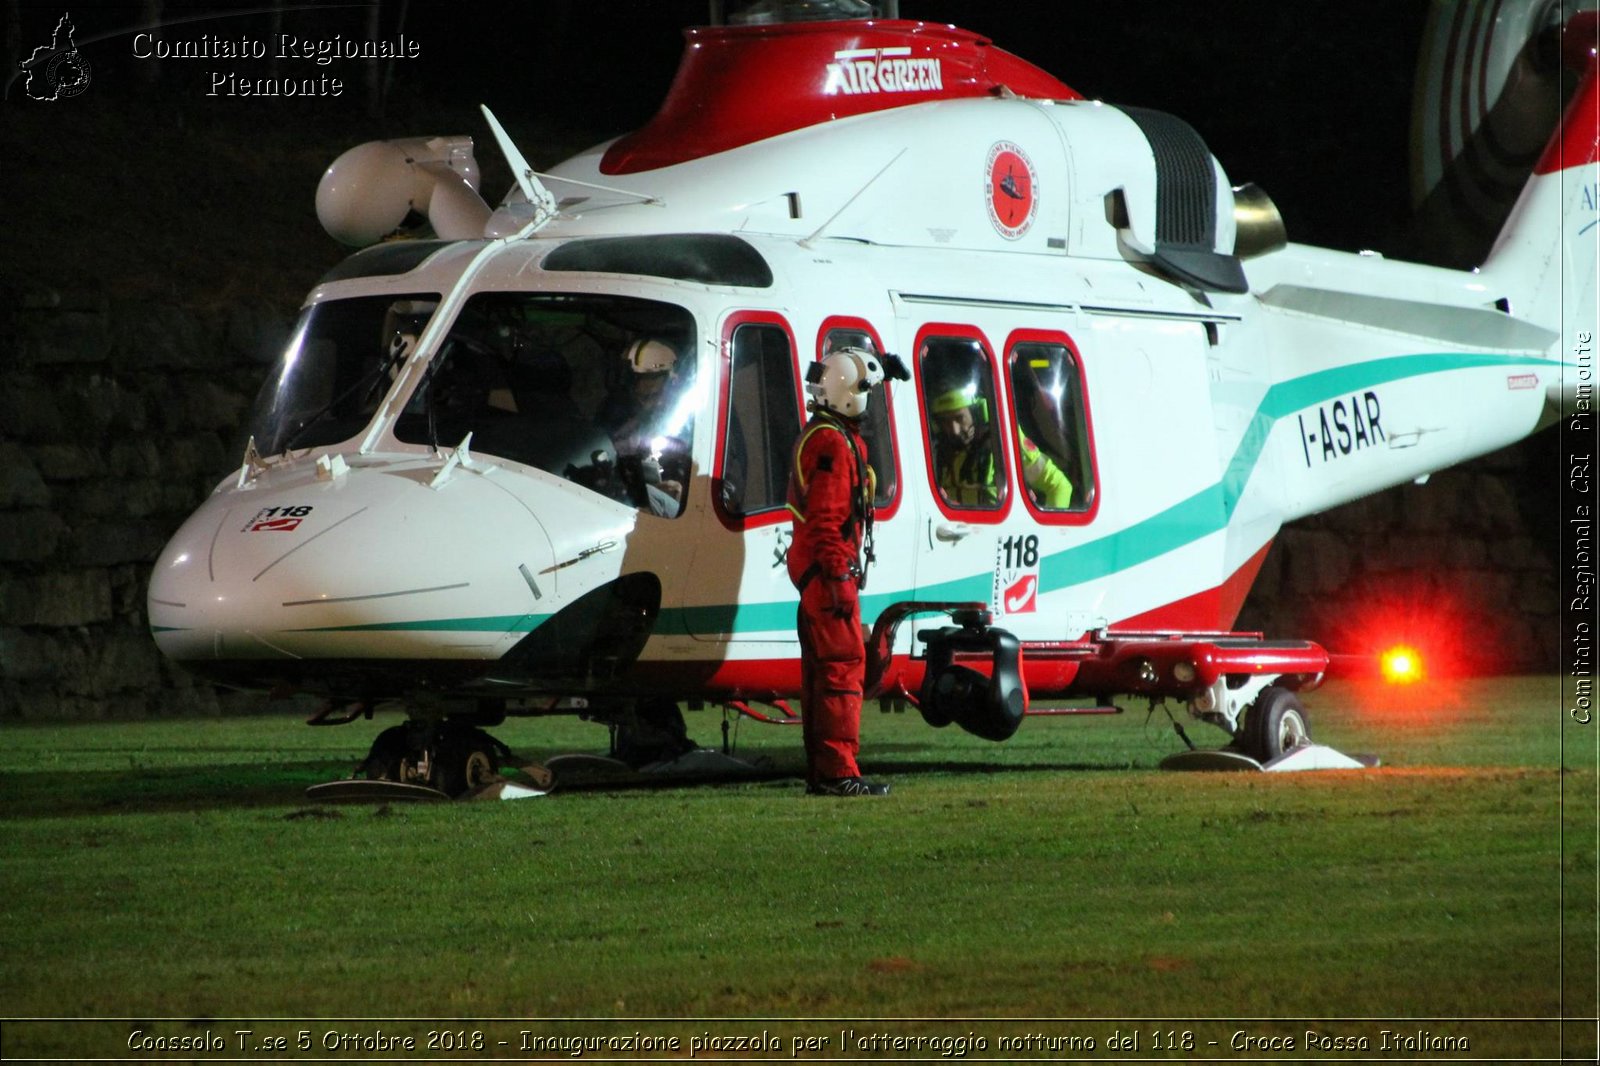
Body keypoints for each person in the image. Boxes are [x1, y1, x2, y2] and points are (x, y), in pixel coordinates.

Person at [786, 347, 888, 797]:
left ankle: (826, 771)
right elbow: (826, 521)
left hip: (818, 573)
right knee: (844, 668)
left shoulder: (827, 436)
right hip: (827, 575)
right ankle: (838, 772)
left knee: (824, 672)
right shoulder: (832, 443)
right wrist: (839, 577)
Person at [929, 384, 1072, 509]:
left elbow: (1059, 487)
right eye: (945, 421)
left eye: (960, 418)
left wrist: (1046, 534)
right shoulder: (935, 450)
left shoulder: (1002, 441)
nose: (954, 429)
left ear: (976, 412)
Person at [605, 338, 688, 516]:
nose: (651, 405)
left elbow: (728, 487)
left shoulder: (695, 425)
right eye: (643, 398)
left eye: (655, 395)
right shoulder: (625, 422)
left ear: (673, 384)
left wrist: (685, 492)